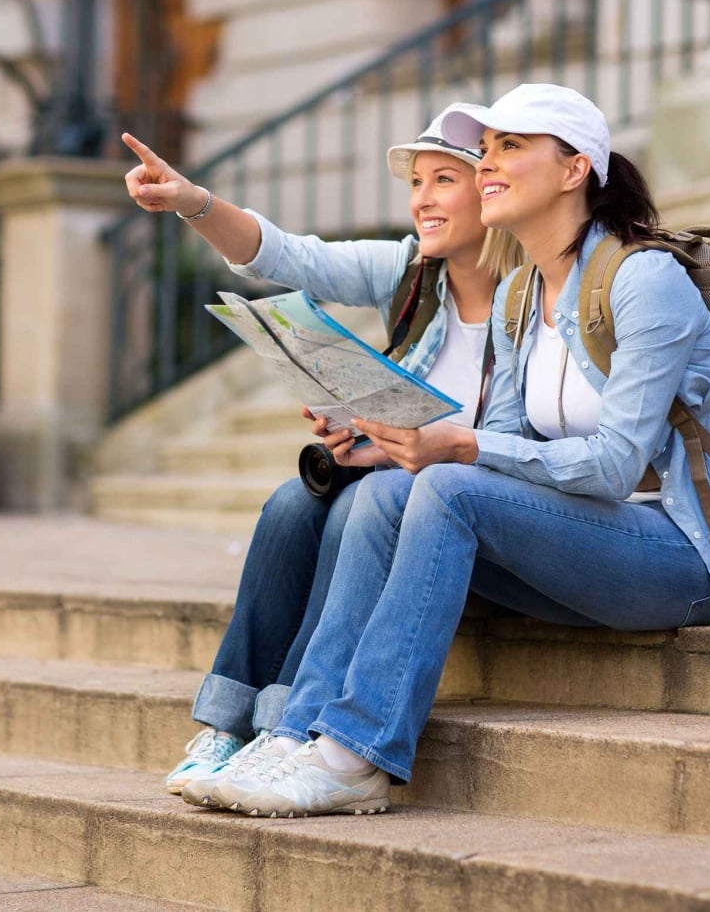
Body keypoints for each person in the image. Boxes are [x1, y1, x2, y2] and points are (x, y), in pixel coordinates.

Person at [208, 83, 710, 819]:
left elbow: (615, 465)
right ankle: (291, 734)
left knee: (449, 486)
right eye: (488, 148)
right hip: (572, 538)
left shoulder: (643, 279)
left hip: (676, 555)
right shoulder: (521, 295)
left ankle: (358, 754)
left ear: (574, 170)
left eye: (511, 147)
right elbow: (504, 440)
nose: (489, 164)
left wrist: (459, 445)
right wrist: (400, 446)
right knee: (382, 493)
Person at [118, 108, 524, 801]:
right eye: (416, 181)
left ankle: (290, 727)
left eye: (444, 179)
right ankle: (229, 726)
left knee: (355, 507)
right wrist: (195, 203)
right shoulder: (411, 273)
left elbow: (506, 443)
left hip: (456, 510)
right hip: (398, 485)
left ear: (491, 192)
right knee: (289, 502)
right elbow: (287, 255)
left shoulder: (531, 300)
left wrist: (393, 454)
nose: (422, 198)